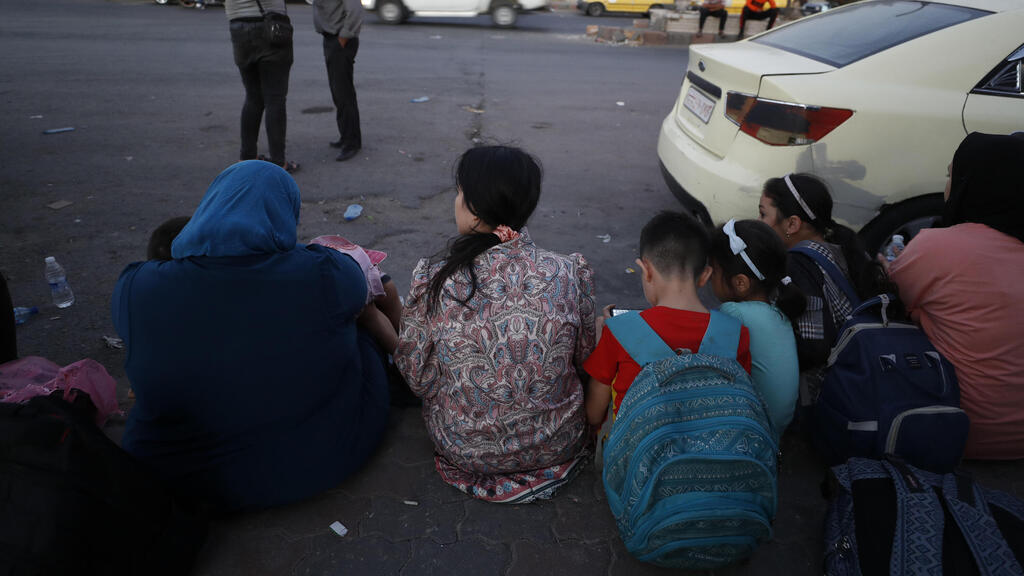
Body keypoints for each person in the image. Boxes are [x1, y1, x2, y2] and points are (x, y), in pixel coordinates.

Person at [113, 160, 389, 511]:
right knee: (358, 332)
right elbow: (357, 278)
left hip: (174, 475)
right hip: (313, 466)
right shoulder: (322, 274)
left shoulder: (138, 285)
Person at [394, 146, 595, 504]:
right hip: (558, 444)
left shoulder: (436, 277)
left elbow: (417, 377)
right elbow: (584, 361)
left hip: (466, 450)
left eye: (459, 193)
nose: (455, 201)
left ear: (475, 210)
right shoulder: (568, 272)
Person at [888, 132, 1024, 460]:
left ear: (971, 184)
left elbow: (893, 298)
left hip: (957, 432)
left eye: (951, 175)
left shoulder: (938, 247)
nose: (946, 185)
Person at [584, 211, 752, 428]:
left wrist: (603, 340)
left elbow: (594, 415)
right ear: (705, 275)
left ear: (646, 270)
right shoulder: (736, 334)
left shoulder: (618, 332)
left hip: (639, 457)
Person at [757, 173, 890, 408]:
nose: (758, 222)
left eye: (763, 214)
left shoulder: (797, 264)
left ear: (792, 224)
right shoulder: (843, 246)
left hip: (827, 399)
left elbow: (813, 346)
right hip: (866, 375)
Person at [708, 219, 804, 438]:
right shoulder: (779, 312)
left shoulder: (734, 313)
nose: (708, 279)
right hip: (775, 433)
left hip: (750, 437)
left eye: (713, 273)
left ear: (740, 283)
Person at [223, 0, 299, 173]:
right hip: (269, 27)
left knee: (253, 97)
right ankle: (279, 162)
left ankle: (247, 156)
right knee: (275, 99)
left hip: (238, 28)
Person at [314, 0, 364, 162]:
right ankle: (346, 136)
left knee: (344, 93)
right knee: (338, 93)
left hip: (340, 40)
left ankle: (352, 143)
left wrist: (344, 35)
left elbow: (355, 10)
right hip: (331, 37)